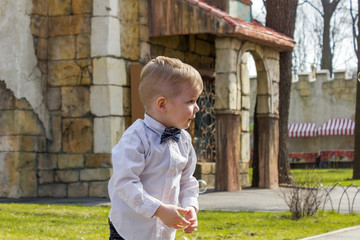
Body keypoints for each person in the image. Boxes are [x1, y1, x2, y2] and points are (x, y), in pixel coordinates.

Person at [108, 56, 203, 240]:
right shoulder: (135, 138)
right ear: (162, 104)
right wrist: (158, 210)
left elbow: (186, 180)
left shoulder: (183, 140)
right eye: (190, 101)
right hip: (129, 230)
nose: (197, 108)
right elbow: (124, 183)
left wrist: (190, 206)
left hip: (163, 232)